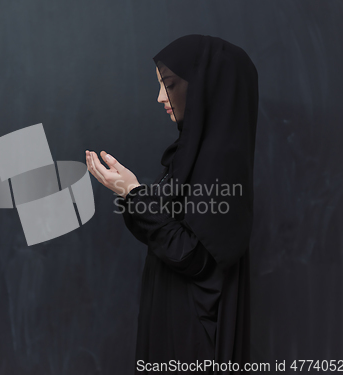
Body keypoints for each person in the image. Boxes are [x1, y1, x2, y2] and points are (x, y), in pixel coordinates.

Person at [85, 34, 258, 374]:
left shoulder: (221, 162)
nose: (161, 96)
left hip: (192, 334)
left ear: (206, 88)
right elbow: (170, 231)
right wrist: (131, 192)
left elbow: (193, 256)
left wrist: (133, 193)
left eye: (171, 84)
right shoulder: (193, 156)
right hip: (175, 316)